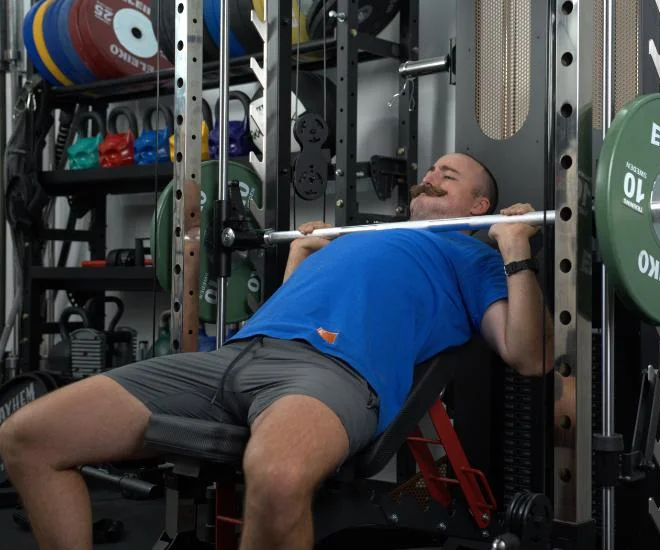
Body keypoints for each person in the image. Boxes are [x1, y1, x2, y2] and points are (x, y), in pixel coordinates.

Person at [0, 152, 553, 550]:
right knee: (28, 437)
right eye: (430, 171)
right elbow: (290, 308)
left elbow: (529, 356)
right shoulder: (361, 235)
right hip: (233, 357)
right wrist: (300, 258)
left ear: (480, 204)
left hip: (332, 372)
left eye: (448, 176)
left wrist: (514, 248)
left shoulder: (472, 257)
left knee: (279, 479)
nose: (430, 177)